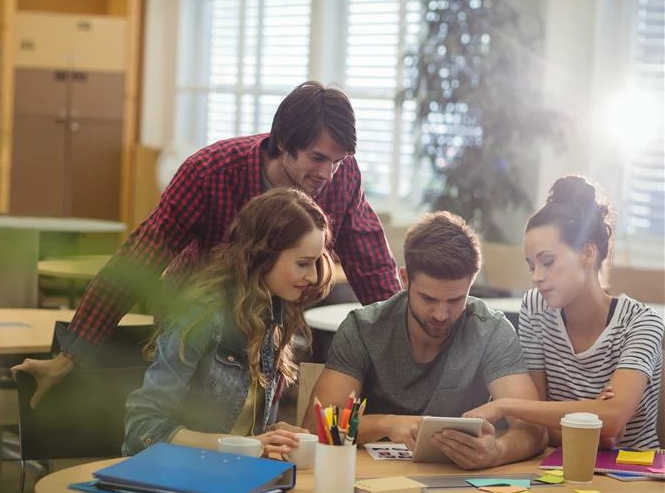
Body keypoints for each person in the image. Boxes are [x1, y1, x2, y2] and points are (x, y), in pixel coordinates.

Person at [12, 81, 400, 407]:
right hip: (197, 327)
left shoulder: (342, 176)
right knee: (190, 432)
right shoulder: (211, 172)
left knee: (254, 437)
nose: (329, 173)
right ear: (283, 142)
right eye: (318, 158)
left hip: (269, 330)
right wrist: (71, 354)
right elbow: (142, 256)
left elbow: (372, 264)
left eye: (338, 160)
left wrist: (404, 343)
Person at [304, 211, 547, 470]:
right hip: (368, 479)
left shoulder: (491, 330)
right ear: (405, 279)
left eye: (455, 300)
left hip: (455, 484)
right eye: (428, 299)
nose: (441, 315)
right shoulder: (363, 329)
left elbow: (534, 430)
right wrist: (386, 423)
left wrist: (497, 451)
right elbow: (314, 428)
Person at [122, 188, 334, 456]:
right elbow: (142, 428)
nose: (314, 277)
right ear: (262, 256)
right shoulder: (203, 315)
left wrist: (270, 434)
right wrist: (248, 444)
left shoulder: (270, 310)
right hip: (175, 476)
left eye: (316, 263)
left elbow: (234, 425)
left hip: (228, 473)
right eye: (303, 263)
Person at [465, 176, 663, 449]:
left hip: (634, 475)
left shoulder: (642, 323)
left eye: (547, 261)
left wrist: (507, 405)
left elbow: (613, 419)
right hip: (557, 468)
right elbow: (535, 426)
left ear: (588, 253)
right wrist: (594, 420)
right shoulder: (536, 308)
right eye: (531, 266)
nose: (536, 276)